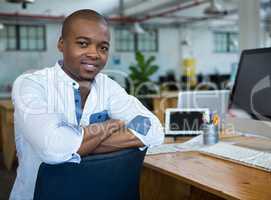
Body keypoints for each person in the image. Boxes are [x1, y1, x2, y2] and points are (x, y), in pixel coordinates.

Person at [10, 9, 164, 200]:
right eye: (83, 44)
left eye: (103, 47)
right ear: (61, 44)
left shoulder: (108, 86)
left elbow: (152, 127)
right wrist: (111, 125)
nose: (94, 54)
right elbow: (54, 149)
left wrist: (80, 144)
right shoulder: (32, 84)